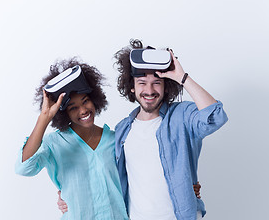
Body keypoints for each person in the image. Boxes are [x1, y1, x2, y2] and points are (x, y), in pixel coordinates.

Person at [112, 39, 228, 219]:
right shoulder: (121, 130)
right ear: (132, 88)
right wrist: (64, 196)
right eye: (142, 83)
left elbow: (215, 117)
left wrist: (182, 77)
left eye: (157, 83)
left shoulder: (182, 116)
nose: (149, 90)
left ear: (166, 87)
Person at [15, 58, 129, 219]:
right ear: (64, 113)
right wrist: (44, 118)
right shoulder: (53, 144)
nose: (83, 110)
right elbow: (23, 168)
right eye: (73, 108)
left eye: (86, 101)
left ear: (94, 99)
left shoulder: (115, 140)